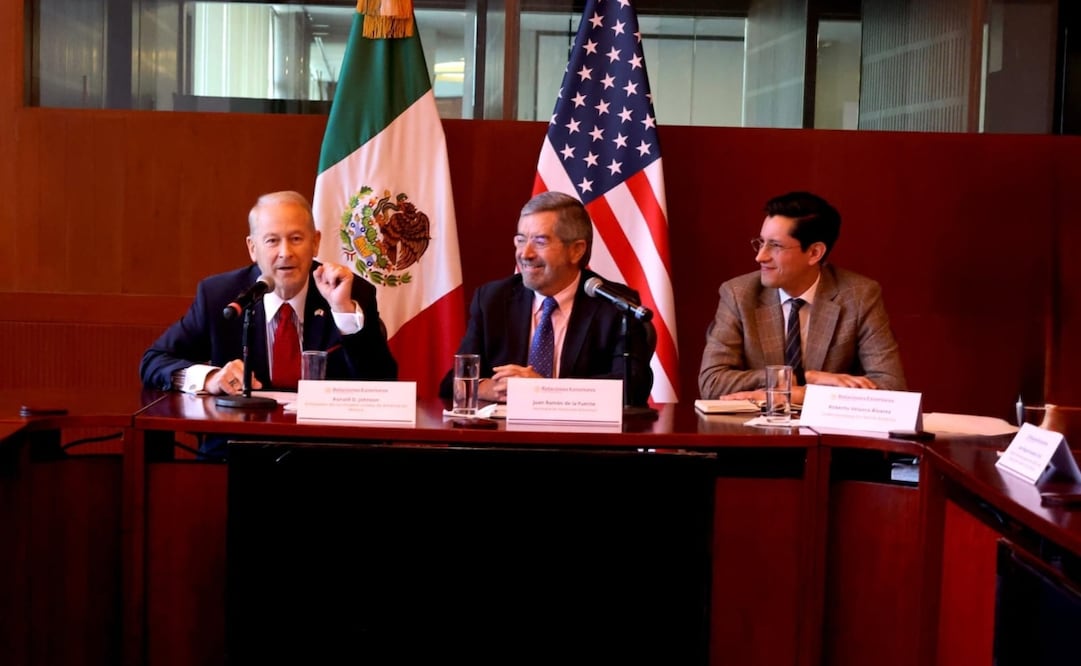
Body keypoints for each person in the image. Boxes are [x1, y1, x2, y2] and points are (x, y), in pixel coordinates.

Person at [141, 190, 397, 395]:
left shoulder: (349, 291)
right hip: (237, 446)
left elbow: (383, 384)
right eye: (272, 241)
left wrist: (343, 312)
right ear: (253, 248)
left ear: (316, 242)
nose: (285, 252)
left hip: (324, 450)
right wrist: (210, 378)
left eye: (296, 238)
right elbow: (154, 361)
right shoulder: (220, 296)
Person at [440, 191, 654, 406]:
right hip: (505, 435)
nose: (525, 253)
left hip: (580, 436)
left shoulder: (614, 305)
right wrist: (494, 388)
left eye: (540, 242)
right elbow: (454, 382)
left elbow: (632, 387)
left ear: (576, 250)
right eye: (520, 240)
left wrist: (544, 390)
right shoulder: (492, 300)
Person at [698, 191, 905, 402]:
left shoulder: (859, 295)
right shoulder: (738, 294)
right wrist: (801, 378)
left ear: (815, 253)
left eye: (775, 246)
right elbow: (712, 383)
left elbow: (892, 389)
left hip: (828, 433)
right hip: (754, 431)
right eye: (761, 242)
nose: (760, 256)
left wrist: (804, 397)